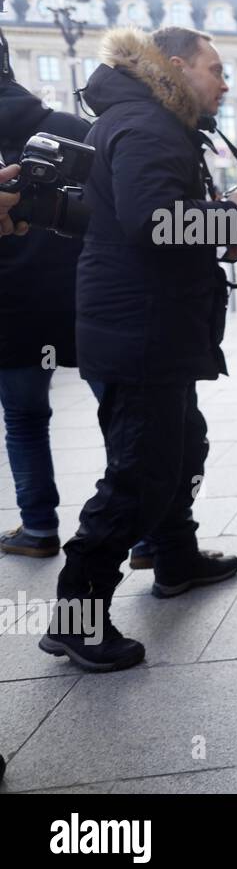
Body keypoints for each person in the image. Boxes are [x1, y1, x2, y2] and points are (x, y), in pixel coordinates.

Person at [39, 26, 237, 672]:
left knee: (179, 447)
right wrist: (233, 220)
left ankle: (175, 559)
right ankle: (74, 617)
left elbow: (147, 213)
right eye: (216, 69)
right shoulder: (147, 125)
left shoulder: (146, 119)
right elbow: (153, 221)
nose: (224, 82)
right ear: (175, 67)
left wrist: (219, 216)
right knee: (140, 472)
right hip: (139, 329)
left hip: (148, 325)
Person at [0, 77, 94, 556]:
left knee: (25, 419)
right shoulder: (70, 128)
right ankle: (150, 534)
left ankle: (38, 528)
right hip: (79, 296)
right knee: (120, 414)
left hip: (11, 307)